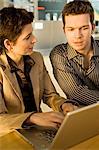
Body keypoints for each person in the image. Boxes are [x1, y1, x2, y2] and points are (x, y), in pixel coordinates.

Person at [0, 7, 75, 137]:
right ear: (8, 44)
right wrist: (32, 117)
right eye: (28, 37)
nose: (34, 39)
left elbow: (50, 95)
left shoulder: (37, 58)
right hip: (10, 135)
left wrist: (64, 105)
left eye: (32, 34)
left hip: (38, 130)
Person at [50, 1, 99, 108]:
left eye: (84, 28)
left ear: (93, 28)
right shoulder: (59, 54)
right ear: (64, 30)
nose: (78, 35)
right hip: (81, 116)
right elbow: (75, 92)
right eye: (71, 29)